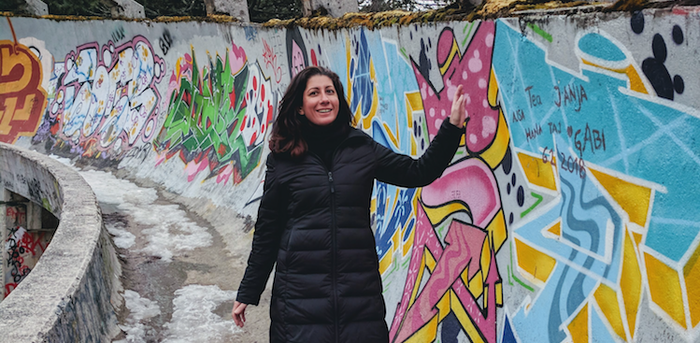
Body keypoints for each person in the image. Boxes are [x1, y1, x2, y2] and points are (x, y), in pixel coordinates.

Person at [232, 66, 467, 343]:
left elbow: (418, 172)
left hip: (358, 295)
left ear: (339, 101)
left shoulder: (361, 148)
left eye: (330, 92)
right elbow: (268, 231)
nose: (324, 99)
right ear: (299, 106)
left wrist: (451, 129)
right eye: (314, 93)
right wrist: (248, 291)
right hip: (298, 298)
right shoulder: (283, 159)